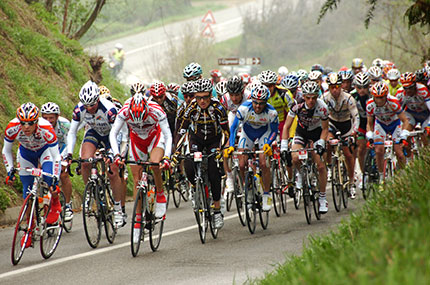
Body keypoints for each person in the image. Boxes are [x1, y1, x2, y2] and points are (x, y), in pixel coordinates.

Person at [110, 92, 171, 243]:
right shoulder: (124, 111)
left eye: (143, 120)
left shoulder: (156, 109)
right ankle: (137, 223)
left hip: (154, 138)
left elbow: (168, 135)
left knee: (155, 164)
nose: (141, 124)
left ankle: (160, 195)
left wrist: (167, 157)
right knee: (137, 180)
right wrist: (117, 155)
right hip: (137, 141)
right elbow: (113, 133)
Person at [66, 81, 125, 228]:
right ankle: (90, 193)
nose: (89, 109)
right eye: (87, 106)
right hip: (94, 133)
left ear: (98, 100)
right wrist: (68, 154)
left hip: (112, 135)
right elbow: (72, 133)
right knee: (85, 162)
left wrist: (113, 154)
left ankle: (118, 209)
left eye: (92, 105)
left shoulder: (109, 109)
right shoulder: (79, 109)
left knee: (113, 171)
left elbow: (117, 134)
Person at [3, 103, 61, 247]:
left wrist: (55, 178)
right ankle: (30, 229)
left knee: (49, 179)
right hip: (26, 154)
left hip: (44, 152)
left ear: (36, 121)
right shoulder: (12, 128)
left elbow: (56, 157)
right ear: (19, 121)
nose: (26, 127)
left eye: (30, 123)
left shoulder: (46, 128)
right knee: (27, 192)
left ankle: (55, 203)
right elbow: (6, 150)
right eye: (23, 123)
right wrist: (10, 170)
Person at [175, 78, 229, 229]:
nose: (202, 101)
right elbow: (182, 130)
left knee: (213, 172)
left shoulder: (219, 108)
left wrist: (220, 148)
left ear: (210, 95)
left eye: (205, 97)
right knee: (189, 165)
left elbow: (226, 132)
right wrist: (177, 151)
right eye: (199, 97)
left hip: (214, 140)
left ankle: (217, 210)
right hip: (196, 139)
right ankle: (195, 187)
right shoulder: (191, 108)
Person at [225, 84, 279, 211]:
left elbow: (274, 131)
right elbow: (233, 129)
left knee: (263, 163)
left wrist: (268, 144)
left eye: (261, 103)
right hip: (247, 133)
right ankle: (248, 191)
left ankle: (266, 194)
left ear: (266, 102)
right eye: (255, 102)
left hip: (263, 134)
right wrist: (232, 146)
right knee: (242, 164)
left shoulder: (272, 113)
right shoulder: (244, 109)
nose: (258, 106)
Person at [280, 81, 330, 213]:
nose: (311, 100)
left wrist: (321, 142)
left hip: (316, 133)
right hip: (301, 132)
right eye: (308, 97)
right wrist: (284, 146)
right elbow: (286, 126)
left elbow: (325, 129)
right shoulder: (297, 105)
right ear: (304, 96)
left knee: (320, 165)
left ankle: (323, 198)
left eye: (314, 97)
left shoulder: (322, 107)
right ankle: (300, 175)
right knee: (295, 157)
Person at [322, 73, 359, 199]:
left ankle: (352, 182)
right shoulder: (324, 98)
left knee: (348, 154)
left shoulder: (348, 98)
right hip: (332, 124)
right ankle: (329, 167)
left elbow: (356, 117)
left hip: (346, 126)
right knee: (327, 141)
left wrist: (354, 131)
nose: (335, 90)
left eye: (337, 86)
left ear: (341, 86)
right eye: (332, 87)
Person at [366, 81, 410, 181]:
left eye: (381, 97)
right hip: (380, 125)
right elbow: (369, 123)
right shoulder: (370, 104)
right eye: (376, 97)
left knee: (399, 152)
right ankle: (381, 176)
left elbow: (405, 120)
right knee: (378, 150)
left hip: (395, 124)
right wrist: (370, 136)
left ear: (386, 96)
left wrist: (403, 136)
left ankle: (404, 176)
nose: (379, 100)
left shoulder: (393, 102)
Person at [40, 102, 73, 222]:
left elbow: (68, 143)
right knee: (43, 176)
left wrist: (65, 159)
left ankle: (68, 205)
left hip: (61, 150)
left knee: (63, 174)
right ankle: (46, 206)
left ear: (57, 117)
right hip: (47, 151)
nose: (48, 121)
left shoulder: (65, 125)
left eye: (51, 118)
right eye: (45, 118)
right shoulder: (38, 126)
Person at [220, 76, 248, 194]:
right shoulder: (225, 99)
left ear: (242, 92)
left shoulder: (249, 97)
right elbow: (221, 117)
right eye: (232, 95)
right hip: (233, 116)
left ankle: (248, 177)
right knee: (224, 147)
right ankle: (230, 178)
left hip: (247, 118)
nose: (234, 98)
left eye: (237, 95)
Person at [350, 72, 372, 189]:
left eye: (365, 87)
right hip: (360, 123)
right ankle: (364, 175)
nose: (362, 90)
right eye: (359, 87)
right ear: (355, 87)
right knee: (361, 147)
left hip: (373, 121)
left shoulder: (373, 94)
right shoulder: (352, 96)